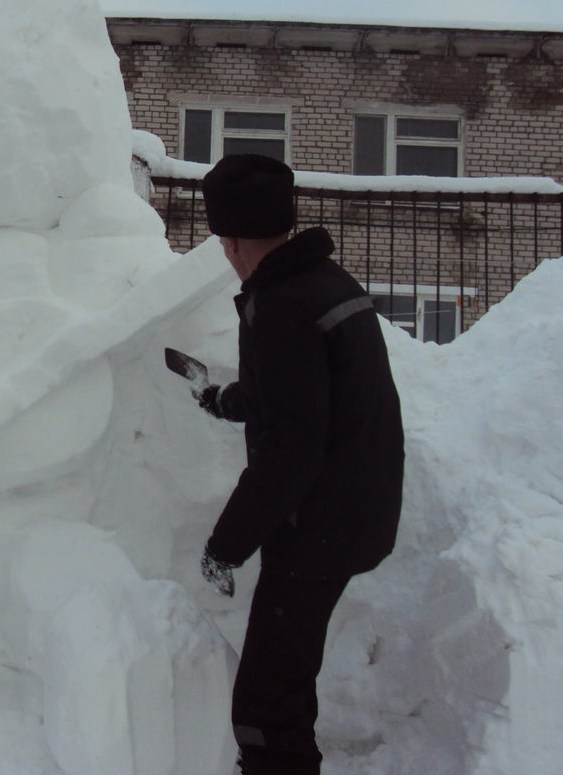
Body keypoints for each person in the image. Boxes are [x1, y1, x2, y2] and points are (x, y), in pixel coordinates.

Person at [192, 154, 405, 775]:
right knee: (284, 674)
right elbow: (304, 393)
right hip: (356, 511)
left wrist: (225, 546)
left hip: (319, 529)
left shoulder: (281, 305)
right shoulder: (325, 283)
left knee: (264, 701)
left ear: (230, 242)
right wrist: (224, 400)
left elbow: (292, 449)